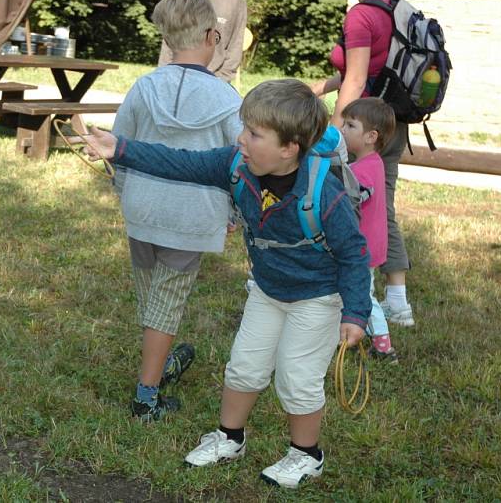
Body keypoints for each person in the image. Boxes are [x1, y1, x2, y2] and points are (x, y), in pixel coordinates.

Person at [85, 79, 371, 489]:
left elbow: (354, 254)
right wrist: (121, 149)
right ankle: (229, 438)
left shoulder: (324, 192)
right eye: (245, 128)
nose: (241, 139)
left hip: (318, 298)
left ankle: (307, 456)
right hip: (267, 290)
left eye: (254, 133)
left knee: (297, 377)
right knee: (244, 367)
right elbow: (181, 162)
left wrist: (356, 312)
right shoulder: (236, 166)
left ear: (289, 148)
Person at [112, 0, 243, 422]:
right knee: (164, 306)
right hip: (191, 216)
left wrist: (124, 193)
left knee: (153, 300)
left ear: (168, 39)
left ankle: (159, 362)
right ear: (210, 37)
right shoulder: (227, 99)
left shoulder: (143, 87)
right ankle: (145, 397)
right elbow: (242, 162)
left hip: (143, 210)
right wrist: (235, 213)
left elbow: (119, 148)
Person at [311, 0, 415, 327]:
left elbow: (357, 79)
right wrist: (322, 86)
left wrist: (335, 131)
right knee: (382, 202)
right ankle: (398, 301)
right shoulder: (397, 8)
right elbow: (373, 68)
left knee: (338, 198)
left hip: (363, 125)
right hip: (392, 121)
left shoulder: (360, 14)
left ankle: (349, 294)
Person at [341, 97, 398, 363]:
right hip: (365, 244)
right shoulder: (372, 163)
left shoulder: (365, 168)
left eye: (350, 125)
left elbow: (357, 194)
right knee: (350, 290)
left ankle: (384, 346)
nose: (342, 130)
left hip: (361, 246)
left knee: (363, 295)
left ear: (370, 136)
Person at [158, 0, 247, 83]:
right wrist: (164, 70)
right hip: (179, 75)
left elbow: (236, 44)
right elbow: (171, 33)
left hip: (215, 78)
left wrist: (221, 79)